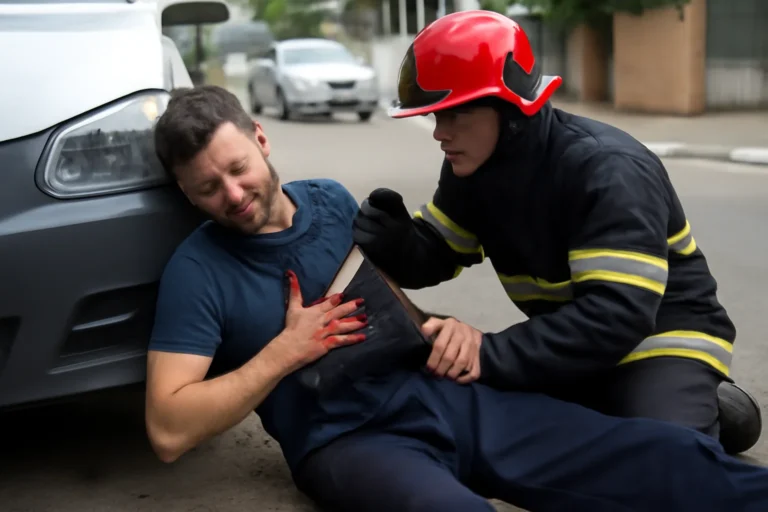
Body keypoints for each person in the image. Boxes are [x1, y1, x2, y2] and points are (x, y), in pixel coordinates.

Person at [144, 84, 768, 512]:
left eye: (236, 168)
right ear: (185, 192)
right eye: (206, 188)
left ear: (260, 138)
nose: (232, 194)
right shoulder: (198, 270)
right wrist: (285, 351)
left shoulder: (330, 200)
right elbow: (168, 428)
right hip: (349, 442)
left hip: (446, 396)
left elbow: (392, 303)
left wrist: (447, 331)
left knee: (653, 455)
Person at [352, 9, 763, 456]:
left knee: (661, 460)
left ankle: (696, 404)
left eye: (456, 114)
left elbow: (617, 315)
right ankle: (672, 407)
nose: (440, 133)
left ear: (510, 107)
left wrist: (486, 353)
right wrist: (397, 242)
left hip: (658, 341)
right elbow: (438, 253)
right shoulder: (473, 167)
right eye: (435, 117)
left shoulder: (607, 169)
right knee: (479, 418)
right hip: (576, 345)